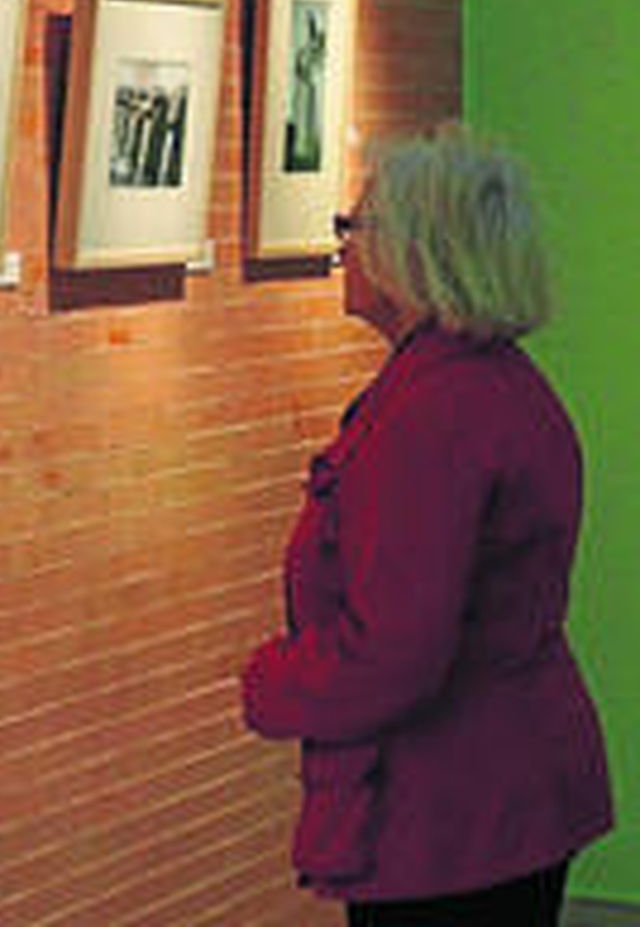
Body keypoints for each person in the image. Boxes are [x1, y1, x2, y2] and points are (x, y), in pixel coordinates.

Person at [241, 125, 613, 925]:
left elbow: (396, 650)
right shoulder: (491, 382)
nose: (341, 244)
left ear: (417, 253)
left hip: (455, 807)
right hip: (510, 783)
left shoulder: (434, 415)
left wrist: (273, 683)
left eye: (357, 225)